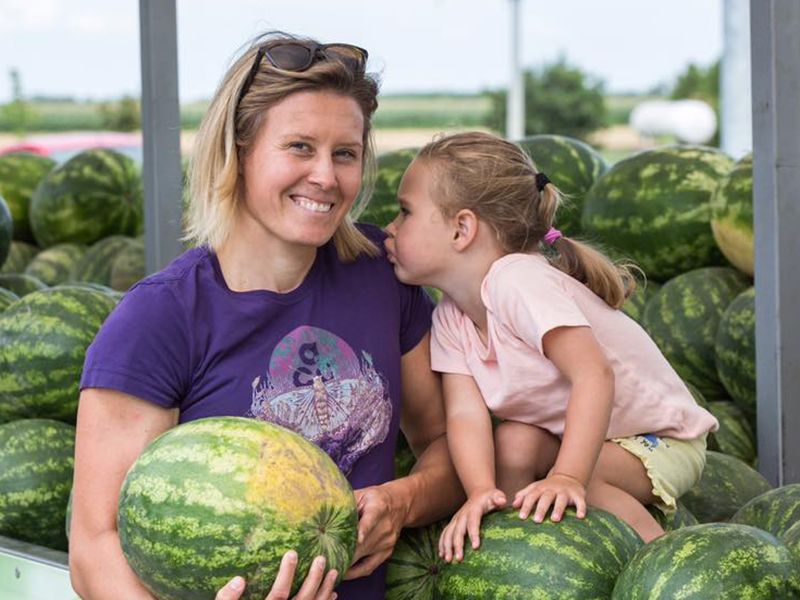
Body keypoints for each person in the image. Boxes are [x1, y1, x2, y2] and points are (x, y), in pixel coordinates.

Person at [68, 32, 462, 600]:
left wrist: (404, 500)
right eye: (300, 147)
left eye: (344, 153)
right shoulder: (160, 316)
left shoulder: (381, 275)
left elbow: (449, 445)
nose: (326, 176)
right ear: (240, 151)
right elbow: (95, 548)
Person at [383, 131, 719, 562]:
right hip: (585, 439)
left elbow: (594, 377)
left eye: (405, 212)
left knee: (579, 479)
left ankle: (664, 561)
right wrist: (481, 493)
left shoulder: (517, 281)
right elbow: (466, 415)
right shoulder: (450, 316)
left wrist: (568, 476)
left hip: (658, 439)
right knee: (513, 444)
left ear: (462, 229)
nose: (390, 228)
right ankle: (519, 557)